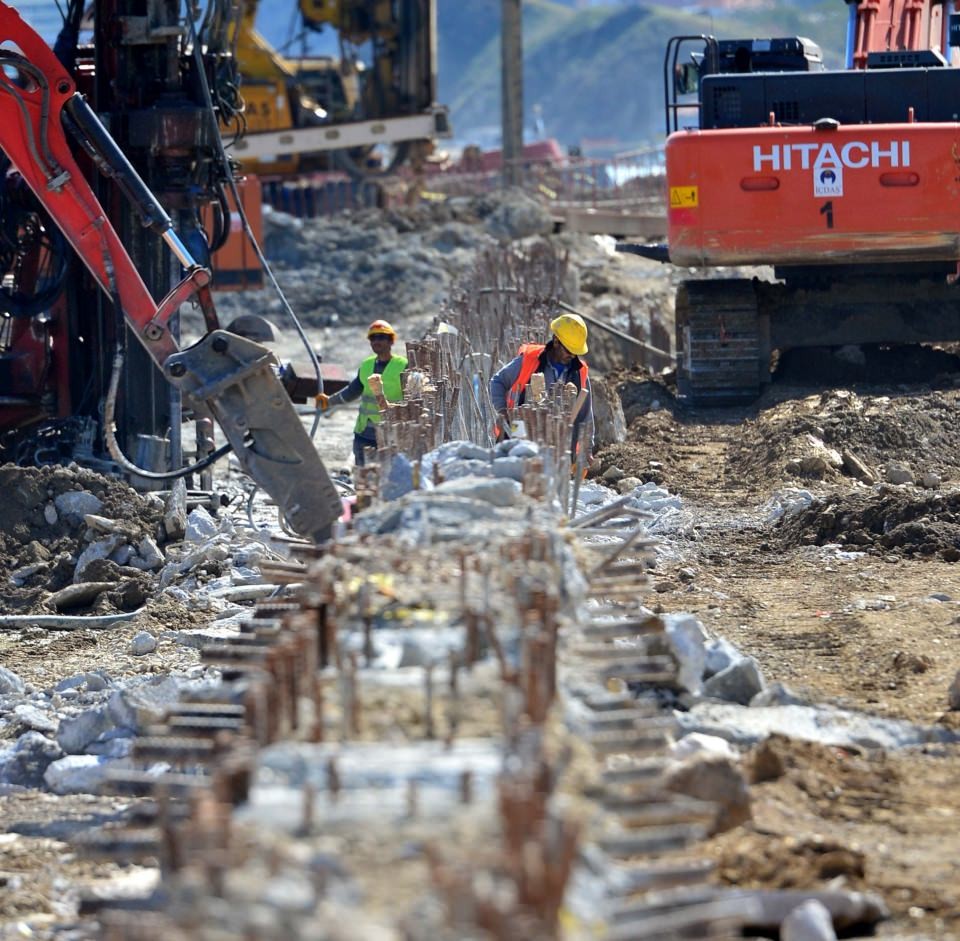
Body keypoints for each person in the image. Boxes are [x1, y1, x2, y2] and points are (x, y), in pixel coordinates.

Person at [489, 312, 594, 466]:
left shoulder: (580, 372)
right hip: (520, 430)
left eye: (575, 352)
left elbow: (586, 415)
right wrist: (503, 411)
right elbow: (497, 382)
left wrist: (588, 448)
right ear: (556, 341)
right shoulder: (529, 360)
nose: (572, 356)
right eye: (569, 350)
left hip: (559, 444)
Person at [316, 319, 407, 466]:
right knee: (363, 480)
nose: (377, 341)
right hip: (364, 433)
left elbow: (414, 399)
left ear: (391, 341)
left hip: (391, 435)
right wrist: (329, 401)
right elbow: (352, 391)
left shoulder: (403, 366)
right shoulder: (366, 365)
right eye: (373, 337)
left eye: (382, 337)